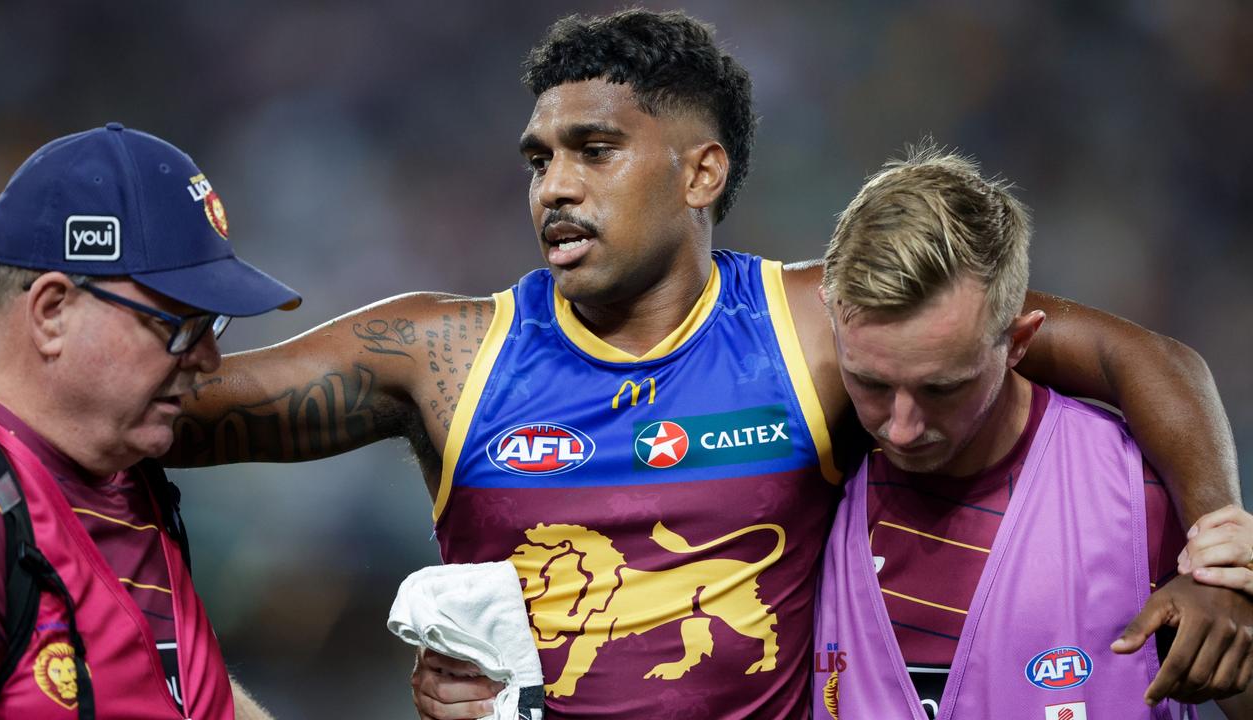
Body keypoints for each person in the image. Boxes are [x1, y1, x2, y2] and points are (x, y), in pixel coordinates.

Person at [166, 10, 1250, 719]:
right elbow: (164, 415)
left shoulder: (817, 325)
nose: (552, 186)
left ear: (701, 170)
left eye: (594, 151)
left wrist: (1217, 562)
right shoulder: (443, 354)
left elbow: (1130, 354)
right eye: (538, 159)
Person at [812, 147, 1251, 719]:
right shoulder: (804, 472)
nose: (901, 426)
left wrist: (1239, 594)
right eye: (869, 381)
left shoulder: (1133, 496)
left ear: (1019, 341)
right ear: (828, 316)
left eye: (942, 388)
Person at [0, 124, 300, 719]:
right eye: (178, 325)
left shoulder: (124, 472)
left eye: (212, 325)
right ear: (51, 312)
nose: (208, 358)